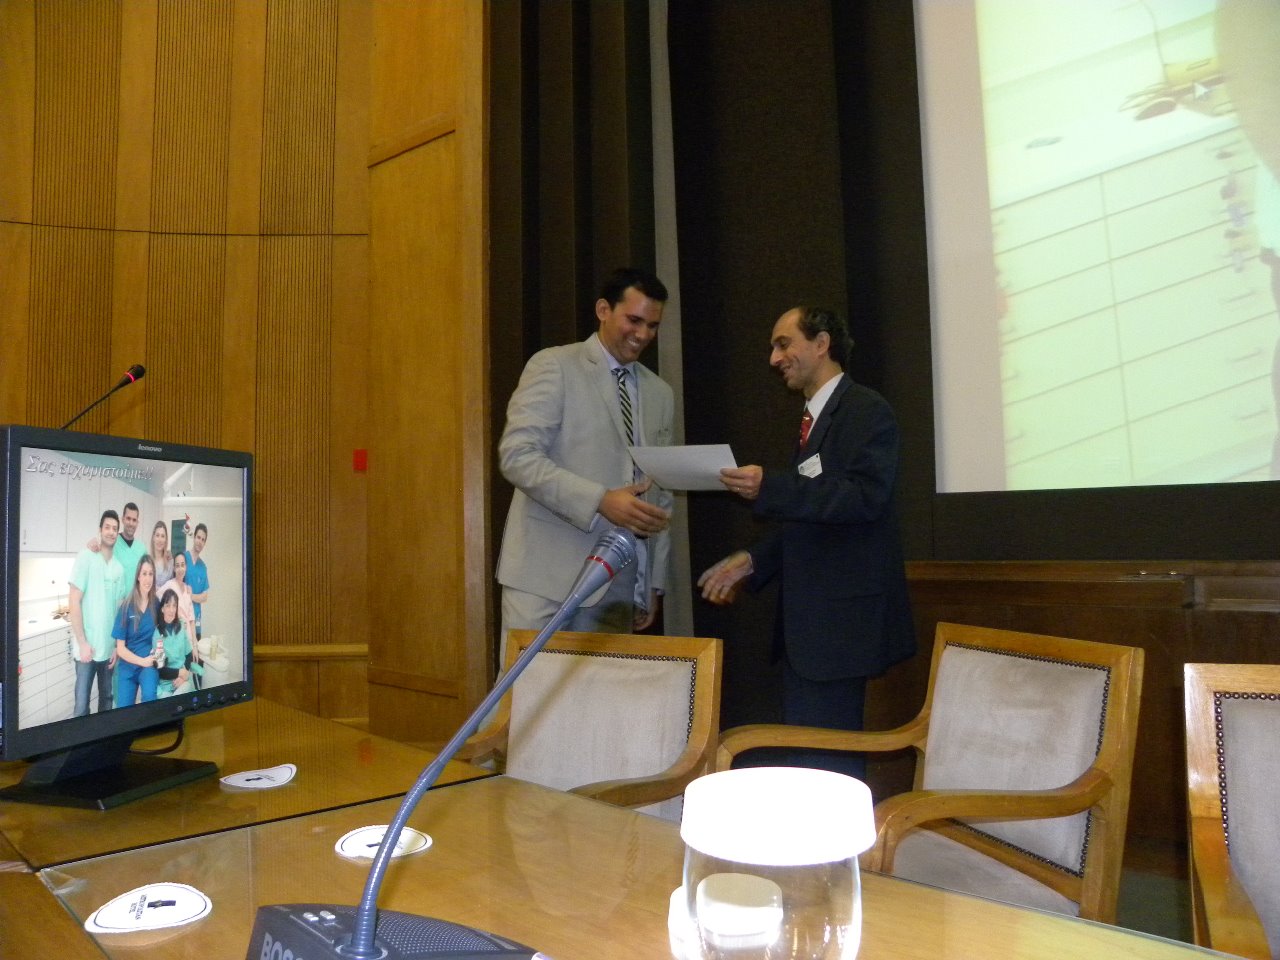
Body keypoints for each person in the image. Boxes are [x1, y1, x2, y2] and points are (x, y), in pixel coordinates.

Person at [697, 306, 915, 777]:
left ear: (821, 344)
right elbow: (813, 521)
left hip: (839, 632)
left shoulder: (866, 410)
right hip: (813, 634)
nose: (774, 359)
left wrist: (770, 487)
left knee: (827, 769)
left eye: (784, 344)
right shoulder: (813, 418)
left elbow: (863, 498)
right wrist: (751, 560)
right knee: (812, 764)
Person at [495, 267, 674, 664]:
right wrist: (600, 500)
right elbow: (517, 456)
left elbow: (660, 494)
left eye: (653, 325)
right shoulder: (554, 365)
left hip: (618, 586)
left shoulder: (661, 393)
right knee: (527, 697)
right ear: (603, 310)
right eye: (634, 320)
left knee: (601, 700)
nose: (643, 334)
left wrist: (651, 582)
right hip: (544, 579)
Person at [68, 510, 127, 715]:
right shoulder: (86, 557)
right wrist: (82, 642)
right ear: (100, 530)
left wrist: (116, 647)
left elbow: (120, 611)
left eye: (114, 529)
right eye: (107, 527)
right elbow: (73, 600)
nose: (111, 532)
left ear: (118, 534)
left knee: (107, 700)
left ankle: (104, 737)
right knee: (81, 706)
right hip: (87, 649)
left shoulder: (119, 569)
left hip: (108, 649)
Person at [113, 554, 160, 706]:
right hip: (128, 665)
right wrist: (142, 661)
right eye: (144, 573)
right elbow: (120, 649)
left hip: (148, 665)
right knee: (124, 711)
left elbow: (164, 631)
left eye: (151, 574)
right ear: (138, 577)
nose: (148, 578)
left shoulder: (156, 604)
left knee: (150, 697)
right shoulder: (126, 606)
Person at [154, 589, 196, 697]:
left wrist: (184, 675)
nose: (171, 610)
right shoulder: (157, 635)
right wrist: (180, 673)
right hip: (166, 684)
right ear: (162, 609)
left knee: (186, 689)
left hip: (183, 681)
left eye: (174, 606)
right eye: (168, 606)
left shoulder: (181, 627)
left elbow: (189, 655)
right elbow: (161, 670)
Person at [183, 522, 210, 639]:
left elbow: (204, 597)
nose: (200, 541)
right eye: (198, 537)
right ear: (194, 537)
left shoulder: (203, 567)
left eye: (203, 540)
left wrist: (191, 596)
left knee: (196, 648)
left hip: (196, 619)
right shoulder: (183, 558)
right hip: (182, 619)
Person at [150, 519, 174, 587]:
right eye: (157, 535)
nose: (160, 540)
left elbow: (173, 586)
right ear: (153, 538)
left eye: (162, 536)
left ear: (166, 539)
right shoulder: (148, 561)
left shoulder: (170, 562)